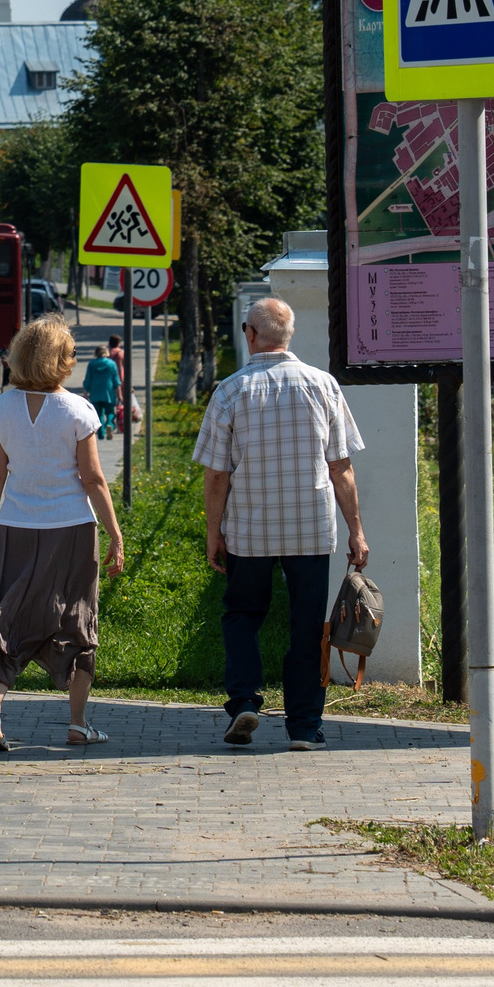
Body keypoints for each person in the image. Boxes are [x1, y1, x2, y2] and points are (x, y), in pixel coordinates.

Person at [194, 296, 368, 751]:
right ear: (288, 336)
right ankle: (305, 728)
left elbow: (216, 475)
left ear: (250, 334)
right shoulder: (323, 386)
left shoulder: (231, 391)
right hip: (311, 530)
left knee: (243, 615)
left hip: (249, 531)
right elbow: (341, 467)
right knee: (308, 627)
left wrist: (214, 534)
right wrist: (356, 530)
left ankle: (246, 700)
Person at [0, 317, 127, 751]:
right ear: (61, 359)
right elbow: (94, 479)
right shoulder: (78, 410)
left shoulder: (3, 408)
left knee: (8, 614)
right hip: (71, 531)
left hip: (16, 526)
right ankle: (77, 723)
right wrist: (115, 535)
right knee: (77, 619)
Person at [82, 339, 122, 443]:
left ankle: (101, 434)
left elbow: (88, 379)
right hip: (108, 392)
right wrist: (119, 394)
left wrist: (86, 391)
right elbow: (116, 380)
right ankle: (109, 424)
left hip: (95, 392)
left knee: (98, 413)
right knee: (110, 411)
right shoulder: (111, 364)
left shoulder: (92, 364)